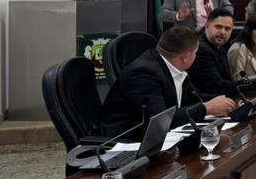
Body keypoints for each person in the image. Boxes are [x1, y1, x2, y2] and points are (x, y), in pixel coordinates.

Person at [99, 26, 238, 138]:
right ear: (186, 57)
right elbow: (160, 121)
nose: (196, 56)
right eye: (195, 52)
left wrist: (224, 102)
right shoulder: (143, 74)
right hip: (127, 145)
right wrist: (207, 108)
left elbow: (194, 98)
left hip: (161, 138)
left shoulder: (175, 66)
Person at [188, 8, 256, 98]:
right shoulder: (201, 49)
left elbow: (227, 80)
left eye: (227, 29)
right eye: (218, 27)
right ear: (207, 25)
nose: (223, 32)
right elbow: (217, 86)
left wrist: (254, 80)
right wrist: (255, 83)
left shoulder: (220, 47)